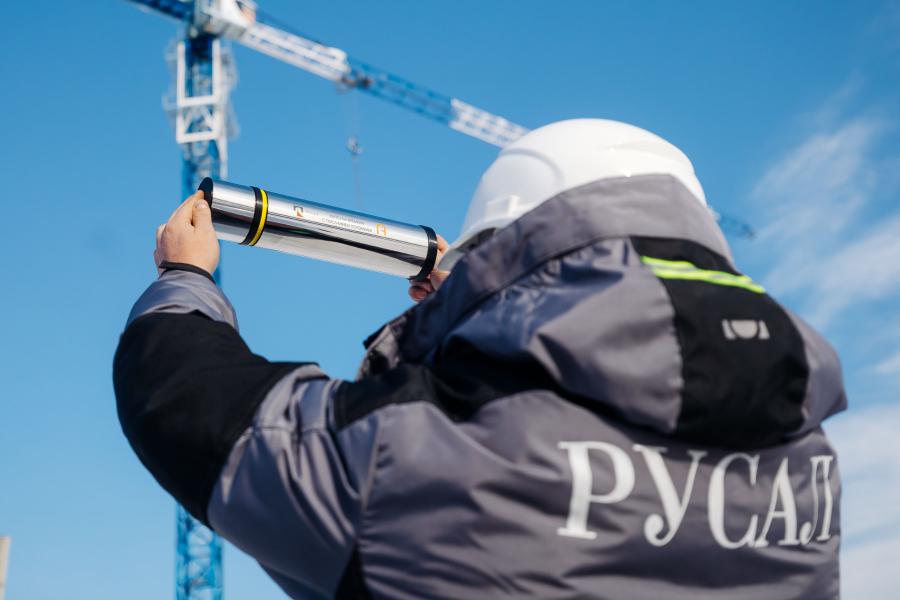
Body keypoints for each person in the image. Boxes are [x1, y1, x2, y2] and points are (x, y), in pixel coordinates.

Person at [114, 119, 846, 599]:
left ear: (513, 246)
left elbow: (196, 404)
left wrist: (186, 275)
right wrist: (472, 310)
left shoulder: (433, 464)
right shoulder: (807, 468)